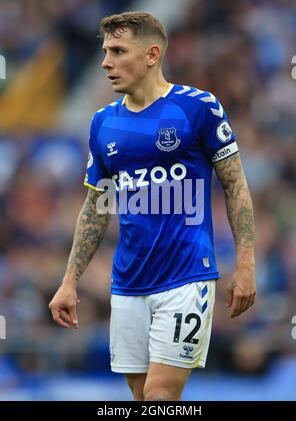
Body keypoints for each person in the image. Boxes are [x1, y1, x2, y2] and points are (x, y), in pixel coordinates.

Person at [49, 11, 256, 401]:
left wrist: (245, 264)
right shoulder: (103, 123)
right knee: (142, 398)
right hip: (128, 283)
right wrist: (69, 281)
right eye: (105, 51)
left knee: (161, 397)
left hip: (187, 276)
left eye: (117, 51)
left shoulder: (198, 108)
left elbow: (236, 186)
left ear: (151, 54)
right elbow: (96, 205)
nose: (105, 62)